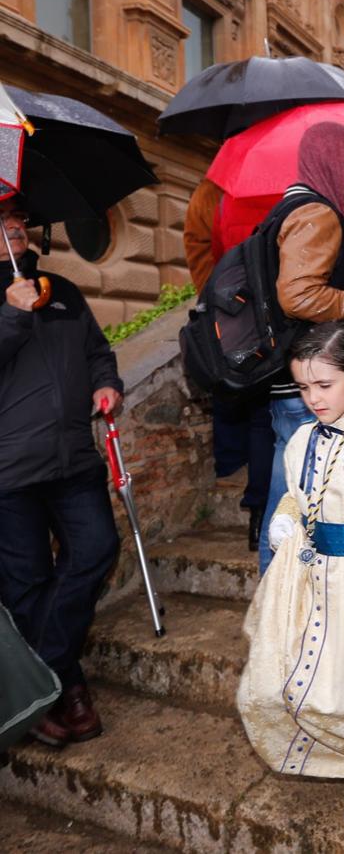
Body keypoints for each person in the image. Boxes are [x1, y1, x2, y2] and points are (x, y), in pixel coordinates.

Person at [237, 321, 344, 824]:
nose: (313, 398)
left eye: (324, 384)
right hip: (305, 577)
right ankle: (334, 748)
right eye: (304, 387)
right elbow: (297, 489)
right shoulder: (300, 438)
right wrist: (286, 517)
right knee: (280, 675)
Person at [0, 195, 123, 747]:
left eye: (18, 218)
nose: (14, 226)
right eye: (2, 220)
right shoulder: (12, 300)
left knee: (97, 550)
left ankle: (41, 683)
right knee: (27, 586)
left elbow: (99, 351)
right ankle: (69, 689)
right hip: (9, 471)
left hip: (73, 459)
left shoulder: (64, 292)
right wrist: (10, 314)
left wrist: (107, 382)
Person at [257, 122, 344, 575]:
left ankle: (284, 600)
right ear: (335, 164)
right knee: (293, 504)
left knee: (288, 499)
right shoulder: (318, 214)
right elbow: (299, 295)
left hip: (293, 382)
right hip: (310, 389)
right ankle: (282, 604)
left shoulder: (292, 209)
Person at [183, 178, 274, 550]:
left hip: (230, 303)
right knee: (264, 416)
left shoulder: (216, 188)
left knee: (248, 405)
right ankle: (261, 511)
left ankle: (254, 507)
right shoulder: (282, 182)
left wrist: (212, 289)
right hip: (264, 306)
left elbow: (196, 240)